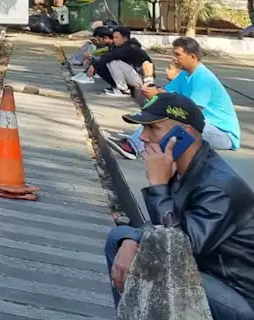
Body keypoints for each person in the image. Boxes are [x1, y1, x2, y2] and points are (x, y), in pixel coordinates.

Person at [105, 93, 254, 319]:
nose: (143, 137)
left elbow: (175, 248)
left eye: (153, 128)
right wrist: (131, 240)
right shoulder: (185, 169)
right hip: (204, 274)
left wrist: (158, 185)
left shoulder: (218, 187)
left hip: (238, 299)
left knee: (153, 262)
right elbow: (164, 232)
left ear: (183, 134)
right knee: (120, 239)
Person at [113, 37, 241, 160]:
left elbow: (191, 111)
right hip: (201, 125)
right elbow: (165, 92)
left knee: (171, 119)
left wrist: (158, 95)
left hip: (223, 134)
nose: (175, 59)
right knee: (158, 112)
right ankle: (135, 142)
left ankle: (134, 147)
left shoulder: (203, 78)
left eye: (178, 55)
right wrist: (151, 88)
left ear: (192, 57)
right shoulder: (185, 74)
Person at [79, 26, 154, 98]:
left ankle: (123, 90)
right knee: (103, 63)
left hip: (141, 79)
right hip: (134, 76)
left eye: (116, 37)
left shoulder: (130, 47)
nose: (114, 40)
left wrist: (93, 64)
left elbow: (110, 56)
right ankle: (117, 87)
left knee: (113, 62)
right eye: (114, 37)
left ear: (124, 38)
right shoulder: (119, 46)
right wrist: (94, 63)